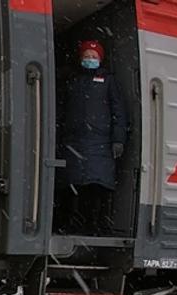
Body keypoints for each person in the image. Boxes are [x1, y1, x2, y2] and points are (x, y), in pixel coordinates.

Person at [61, 39, 128, 235]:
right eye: (86, 56)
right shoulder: (73, 80)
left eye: (94, 56)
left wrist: (118, 139)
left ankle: (95, 225)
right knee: (73, 185)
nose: (90, 59)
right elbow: (63, 109)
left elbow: (119, 112)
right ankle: (74, 224)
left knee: (97, 186)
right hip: (74, 142)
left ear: (101, 59)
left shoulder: (108, 81)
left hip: (100, 143)